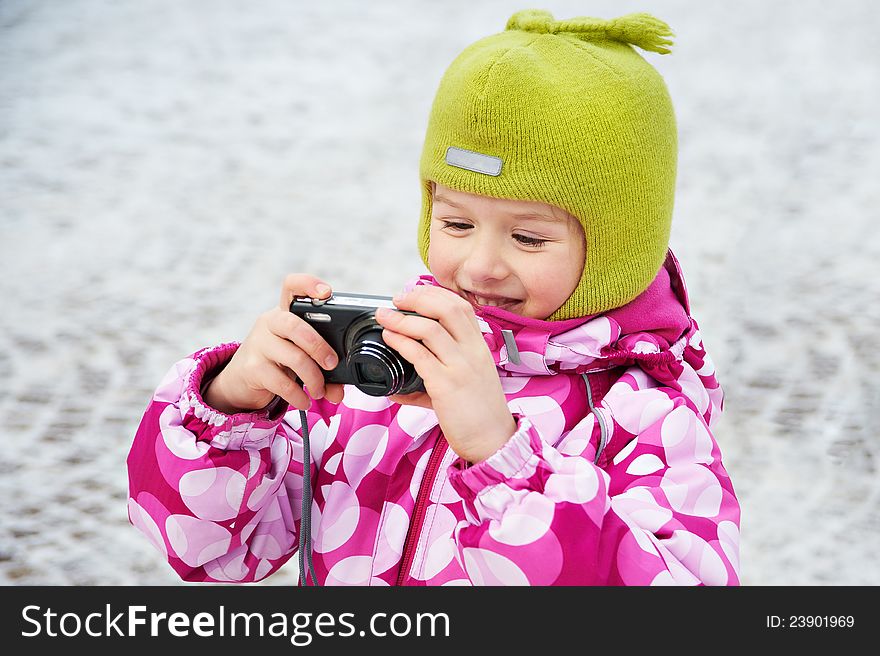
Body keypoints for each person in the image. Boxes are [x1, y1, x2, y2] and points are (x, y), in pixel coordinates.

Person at [127, 9, 740, 586]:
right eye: (455, 224)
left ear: (615, 249)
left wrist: (503, 457)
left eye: (527, 237)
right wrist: (231, 407)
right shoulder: (385, 372)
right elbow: (213, 553)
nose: (479, 265)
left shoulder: (647, 416)